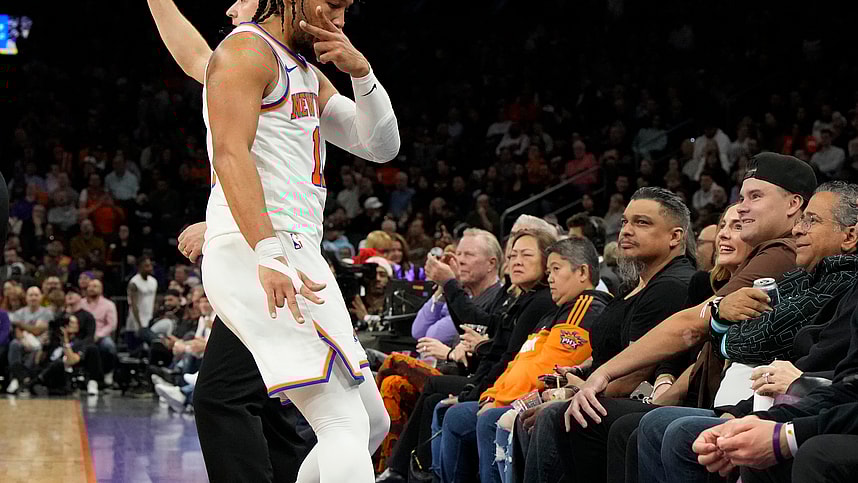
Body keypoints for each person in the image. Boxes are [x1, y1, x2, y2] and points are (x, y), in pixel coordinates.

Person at [148, 0, 399, 480]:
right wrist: (265, 251)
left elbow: (380, 146)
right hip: (264, 251)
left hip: (298, 248)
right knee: (339, 420)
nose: (340, 21)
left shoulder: (299, 67)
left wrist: (363, 75)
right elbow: (229, 155)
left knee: (370, 422)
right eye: (334, 5)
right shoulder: (246, 52)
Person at [568, 153, 817, 421]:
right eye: (742, 197)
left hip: (745, 415)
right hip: (721, 406)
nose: (742, 207)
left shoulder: (782, 251)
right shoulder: (756, 259)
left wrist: (602, 374)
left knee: (608, 423)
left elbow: (691, 325)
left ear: (793, 204)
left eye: (755, 197)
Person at [520, 187, 698, 483]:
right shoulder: (634, 286)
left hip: (642, 399)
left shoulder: (671, 286)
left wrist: (573, 393)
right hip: (607, 391)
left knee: (558, 415)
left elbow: (636, 373)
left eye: (642, 223)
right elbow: (609, 351)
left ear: (675, 237)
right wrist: (581, 372)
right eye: (625, 222)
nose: (626, 230)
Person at [447, 237, 612, 483]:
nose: (551, 278)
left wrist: (499, 400)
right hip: (511, 395)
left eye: (556, 269)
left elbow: (546, 370)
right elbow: (518, 363)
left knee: (484, 419)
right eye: (549, 272)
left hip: (544, 398)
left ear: (583, 272)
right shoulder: (555, 311)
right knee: (450, 413)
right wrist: (491, 395)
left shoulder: (585, 307)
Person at [80, 278, 119, 387]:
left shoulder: (109, 304)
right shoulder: (81, 303)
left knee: (109, 346)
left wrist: (99, 335)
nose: (92, 288)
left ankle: (108, 372)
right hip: (85, 335)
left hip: (101, 335)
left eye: (95, 286)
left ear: (101, 290)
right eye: (90, 286)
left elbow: (112, 325)